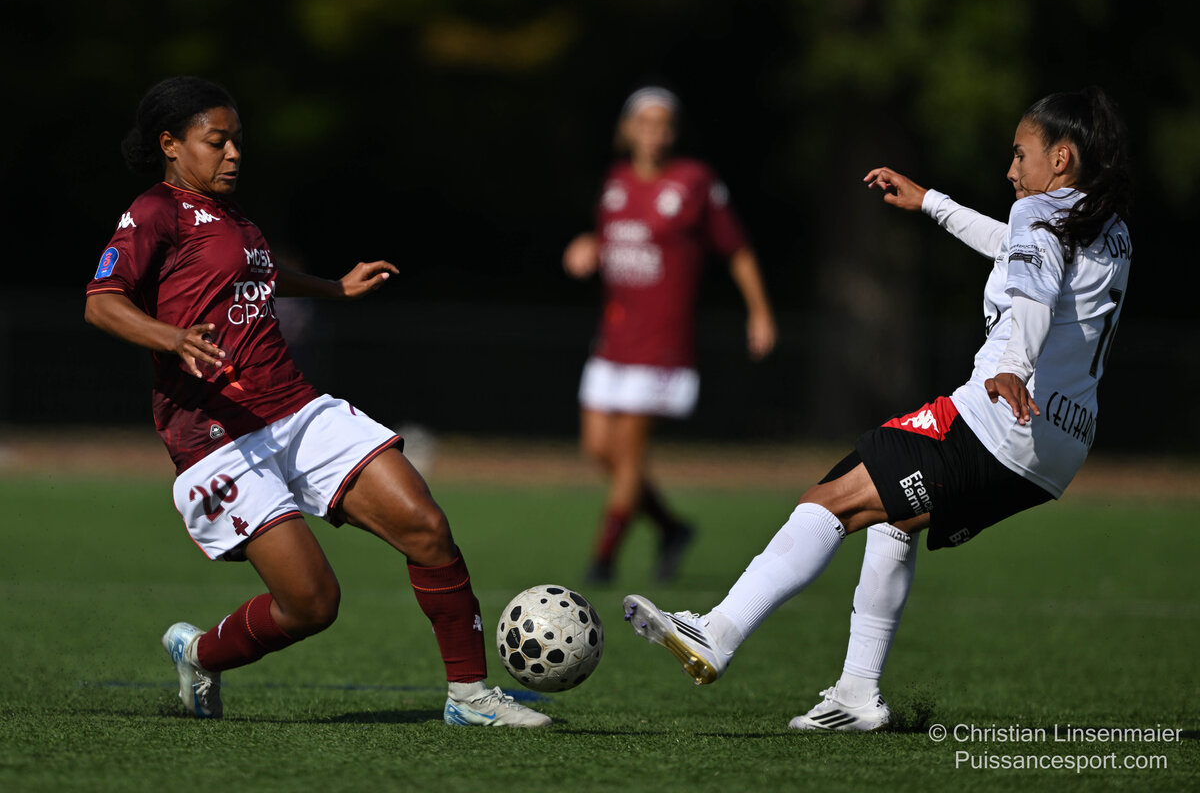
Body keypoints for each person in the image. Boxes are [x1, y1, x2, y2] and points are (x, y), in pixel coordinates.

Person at [622, 86, 1133, 730]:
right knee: (894, 521)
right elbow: (1021, 251)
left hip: (999, 418)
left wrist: (1014, 364)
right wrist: (933, 203)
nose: (1011, 169)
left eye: (1020, 153)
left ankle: (717, 632)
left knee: (830, 497)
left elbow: (1032, 288)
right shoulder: (1105, 227)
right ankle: (856, 694)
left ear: (1061, 158)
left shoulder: (1039, 213)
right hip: (1060, 448)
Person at [85, 76, 550, 727]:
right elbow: (101, 301)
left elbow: (261, 275)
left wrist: (335, 288)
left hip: (296, 409)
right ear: (170, 144)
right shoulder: (156, 210)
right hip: (217, 434)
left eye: (238, 140)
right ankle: (200, 653)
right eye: (217, 141)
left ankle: (470, 696)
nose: (234, 153)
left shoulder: (233, 217)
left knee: (426, 526)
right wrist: (172, 337)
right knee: (312, 604)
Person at [563, 86, 777, 585]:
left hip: (662, 342)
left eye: (663, 124)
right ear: (627, 129)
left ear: (674, 132)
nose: (654, 133)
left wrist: (759, 312)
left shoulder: (694, 181)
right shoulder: (616, 182)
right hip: (614, 337)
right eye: (645, 123)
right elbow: (614, 239)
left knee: (628, 452)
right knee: (598, 449)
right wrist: (588, 246)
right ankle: (671, 527)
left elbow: (737, 249)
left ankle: (602, 559)